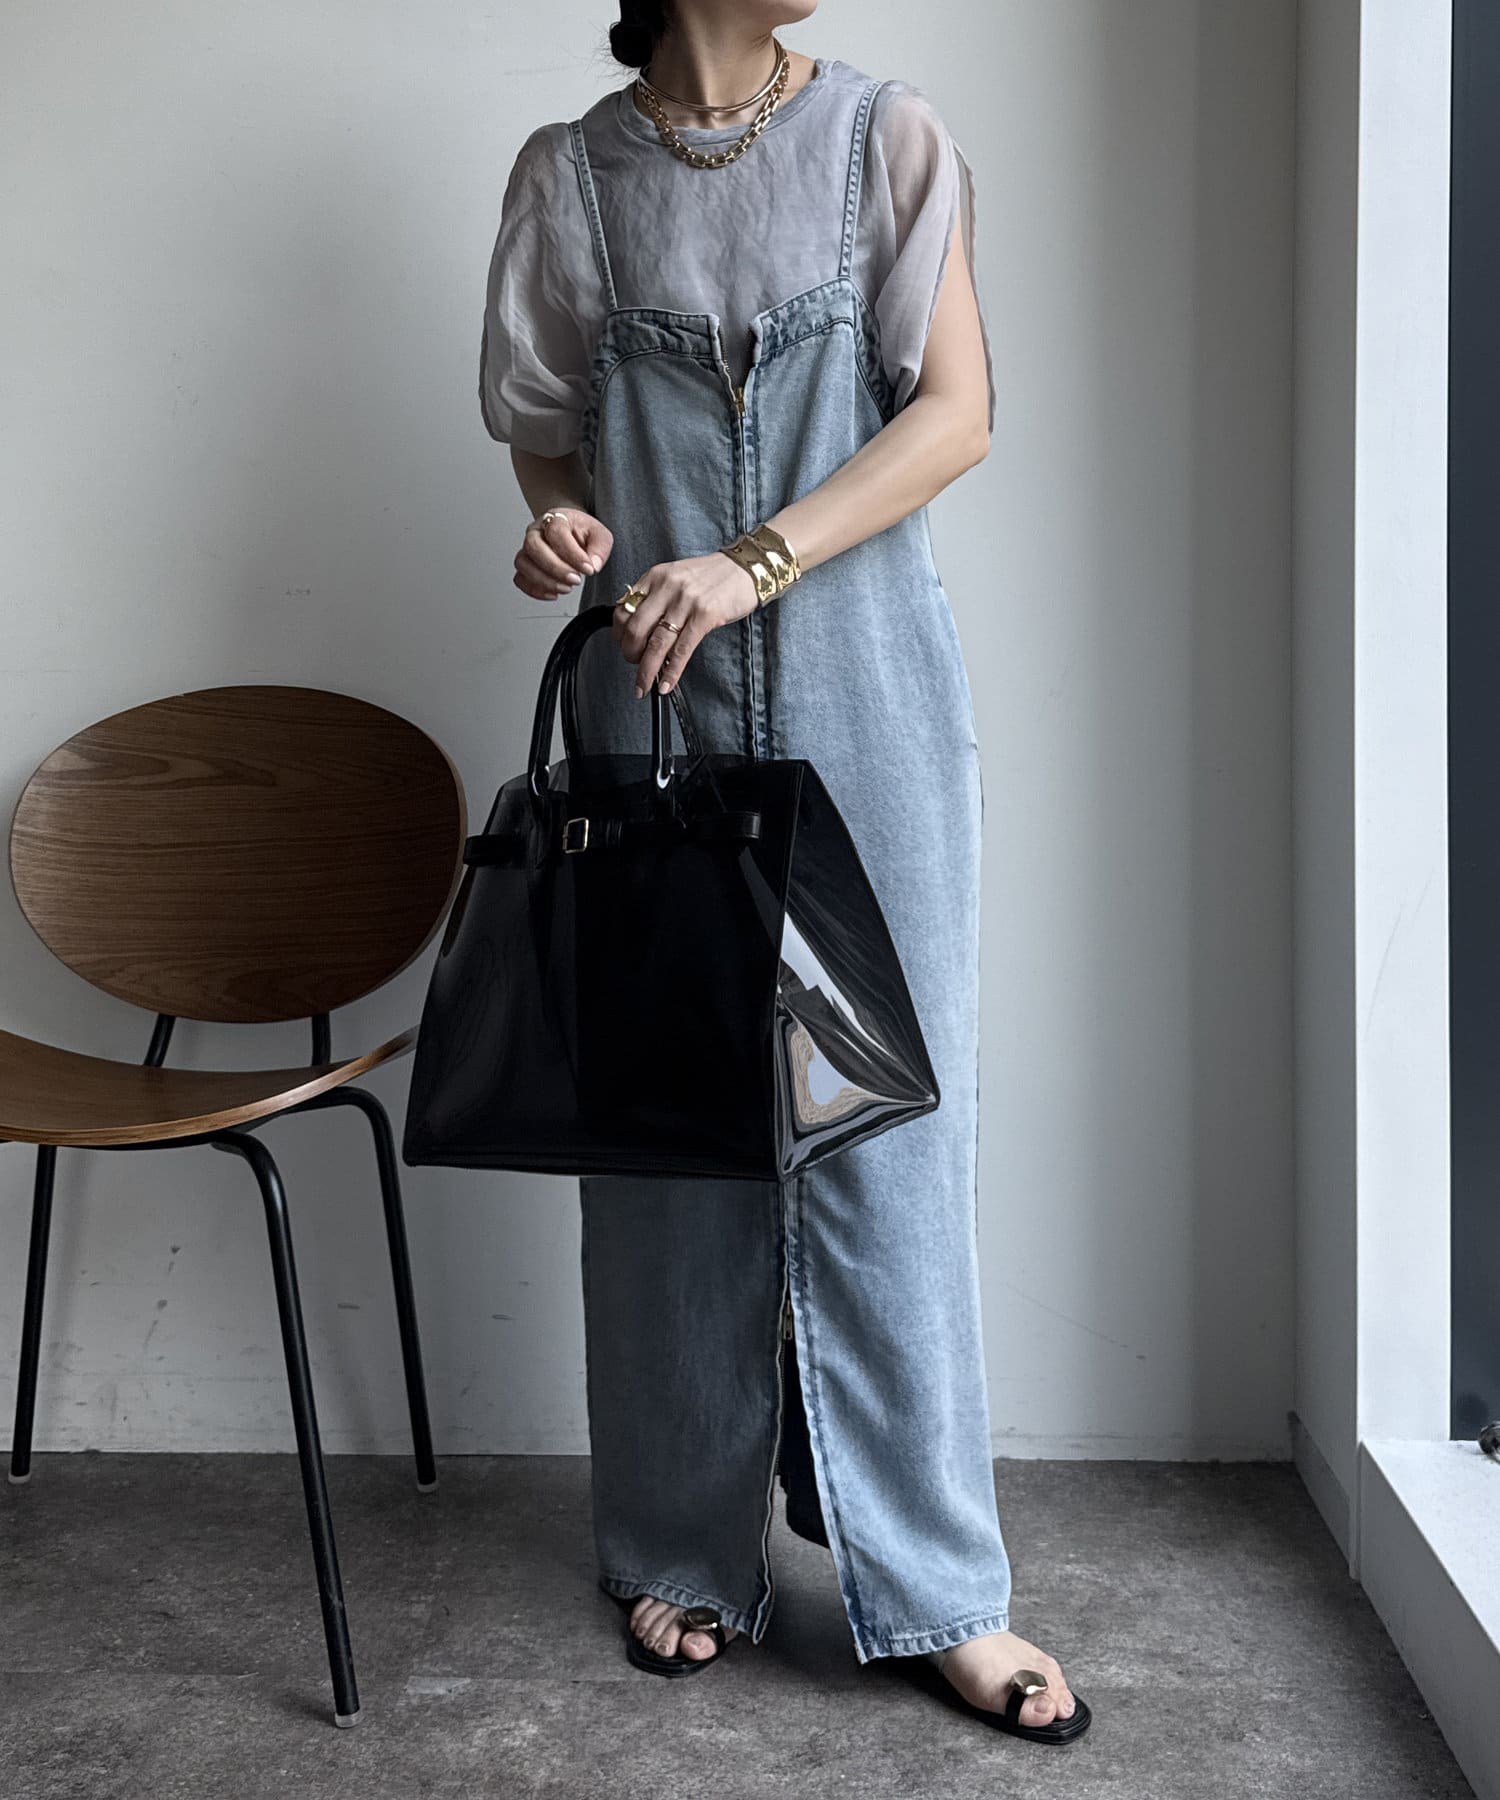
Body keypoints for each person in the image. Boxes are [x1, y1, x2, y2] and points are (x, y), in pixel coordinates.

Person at [479, 0, 1090, 1744]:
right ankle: (680, 1540)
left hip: (869, 706)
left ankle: (939, 1585)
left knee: (895, 1133)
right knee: (669, 1141)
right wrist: (563, 522)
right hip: (649, 711)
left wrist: (752, 560)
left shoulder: (888, 136)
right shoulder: (568, 177)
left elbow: (959, 416)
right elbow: (544, 426)